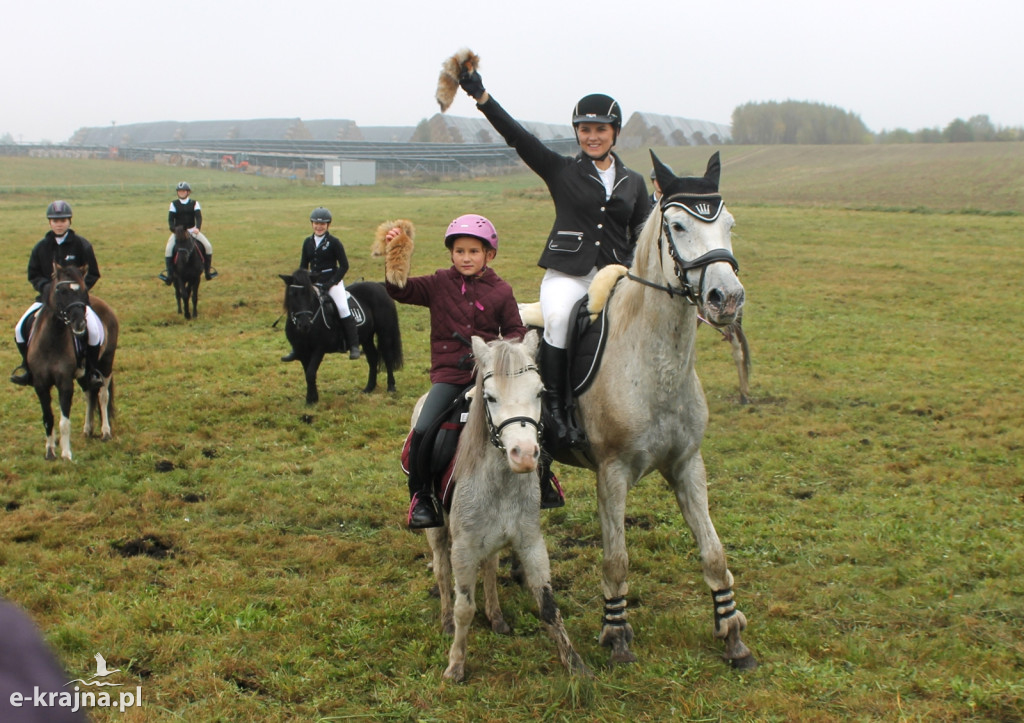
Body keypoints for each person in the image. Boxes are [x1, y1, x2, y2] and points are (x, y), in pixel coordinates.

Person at [457, 71, 652, 447]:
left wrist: (632, 271)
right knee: (560, 318)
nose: (592, 136)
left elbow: (642, 234)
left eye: (600, 129)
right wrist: (482, 97)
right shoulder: (561, 170)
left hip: (616, 275)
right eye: (584, 129)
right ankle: (558, 410)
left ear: (615, 132)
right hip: (570, 274)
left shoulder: (635, 181)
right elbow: (518, 138)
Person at [383, 214, 529, 529]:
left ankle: (543, 482)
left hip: (488, 377)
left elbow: (516, 331)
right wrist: (395, 252)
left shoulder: (501, 291)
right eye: (459, 251)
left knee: (528, 422)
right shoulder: (438, 283)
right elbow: (401, 290)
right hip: (449, 376)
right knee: (423, 431)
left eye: (473, 251)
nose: (466, 258)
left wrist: (501, 356)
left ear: (489, 255)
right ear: (451, 253)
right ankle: (421, 497)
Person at [10, 201, 105, 390]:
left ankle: (92, 371)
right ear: (49, 223)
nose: (58, 224)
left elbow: (93, 273)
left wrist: (79, 292)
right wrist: (45, 288)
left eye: (62, 220)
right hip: (48, 301)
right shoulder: (41, 247)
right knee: (19, 329)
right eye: (54, 220)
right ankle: (28, 369)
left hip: (75, 303)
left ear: (69, 221)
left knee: (94, 331)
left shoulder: (81, 245)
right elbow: (33, 274)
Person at [281, 206, 361, 361]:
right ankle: (296, 348)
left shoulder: (334, 242)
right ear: (312, 224)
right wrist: (302, 282)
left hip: (333, 281)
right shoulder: (307, 242)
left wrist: (331, 283)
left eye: (322, 224)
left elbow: (344, 265)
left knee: (343, 307)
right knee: (300, 308)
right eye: (316, 223)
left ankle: (354, 345)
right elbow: (304, 266)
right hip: (313, 283)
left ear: (328, 225)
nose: (319, 226)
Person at [159, 181, 217, 284]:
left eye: (183, 191)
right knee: (168, 249)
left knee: (208, 246)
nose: (181, 193)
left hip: (192, 230)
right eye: (179, 191)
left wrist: (198, 228)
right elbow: (170, 220)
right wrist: (174, 230)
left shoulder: (194, 203)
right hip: (179, 232)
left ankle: (207, 272)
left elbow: (198, 217)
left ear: (188, 192)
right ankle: (170, 276)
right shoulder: (173, 204)